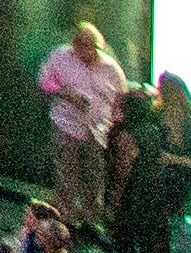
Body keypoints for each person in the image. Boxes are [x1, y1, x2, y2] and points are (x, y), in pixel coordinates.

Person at [39, 23, 128, 239]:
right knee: (66, 177)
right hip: (65, 126)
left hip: (97, 132)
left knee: (94, 178)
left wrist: (115, 127)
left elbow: (121, 100)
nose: (87, 53)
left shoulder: (111, 68)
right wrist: (65, 94)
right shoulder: (60, 57)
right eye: (83, 47)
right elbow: (44, 81)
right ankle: (66, 222)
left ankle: (91, 221)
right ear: (75, 45)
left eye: (92, 47)